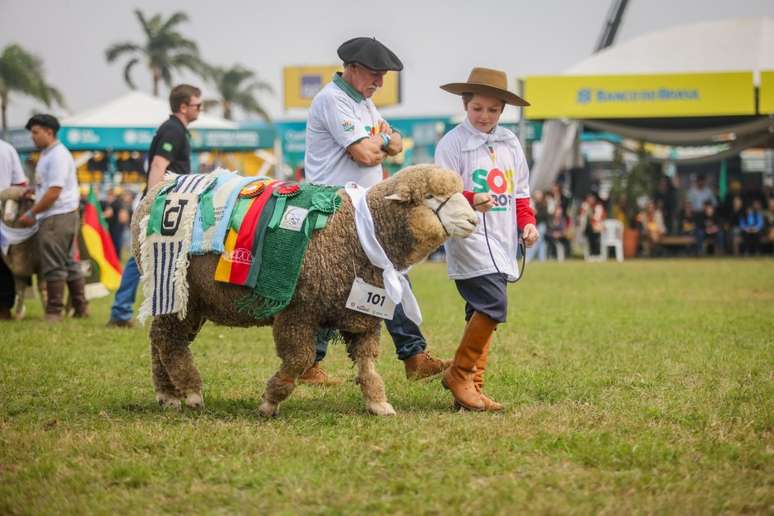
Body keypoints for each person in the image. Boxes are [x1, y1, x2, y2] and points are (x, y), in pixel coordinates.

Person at [302, 36, 448, 383]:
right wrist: (381, 142)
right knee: (366, 278)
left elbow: (396, 142)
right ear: (352, 69)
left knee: (370, 277)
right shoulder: (333, 101)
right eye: (375, 74)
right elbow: (366, 153)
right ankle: (412, 355)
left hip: (361, 208)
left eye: (383, 76)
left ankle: (312, 361)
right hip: (335, 207)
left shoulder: (363, 102)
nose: (380, 83)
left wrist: (381, 141)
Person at [434, 67, 539, 411]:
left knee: (479, 311)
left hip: (503, 240)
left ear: (503, 111)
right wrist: (469, 196)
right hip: (471, 239)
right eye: (478, 108)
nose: (485, 116)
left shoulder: (510, 142)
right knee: (494, 306)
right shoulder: (452, 144)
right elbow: (441, 192)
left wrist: (527, 223)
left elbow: (520, 192)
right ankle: (459, 374)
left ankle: (471, 389)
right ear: (466, 104)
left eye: (493, 110)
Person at [106, 84, 202, 328]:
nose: (200, 109)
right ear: (183, 106)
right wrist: (153, 203)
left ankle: (176, 307)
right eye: (197, 105)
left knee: (164, 254)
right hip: (163, 201)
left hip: (171, 201)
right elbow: (158, 166)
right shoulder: (173, 130)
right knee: (140, 257)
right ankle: (120, 311)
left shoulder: (176, 129)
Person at [18, 114, 88, 322]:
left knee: (54, 264)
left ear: (49, 132)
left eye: (36, 132)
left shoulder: (57, 155)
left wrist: (32, 213)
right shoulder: (49, 154)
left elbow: (54, 191)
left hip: (56, 216)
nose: (33, 137)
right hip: (62, 214)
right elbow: (47, 187)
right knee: (68, 262)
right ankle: (81, 307)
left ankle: (54, 312)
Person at [0, 138, 29, 319]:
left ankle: (4, 308)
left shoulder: (6, 148)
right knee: (5, 262)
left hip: (5, 214)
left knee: (5, 262)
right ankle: (4, 308)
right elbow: (21, 185)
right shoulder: (7, 148)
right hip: (6, 213)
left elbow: (20, 185)